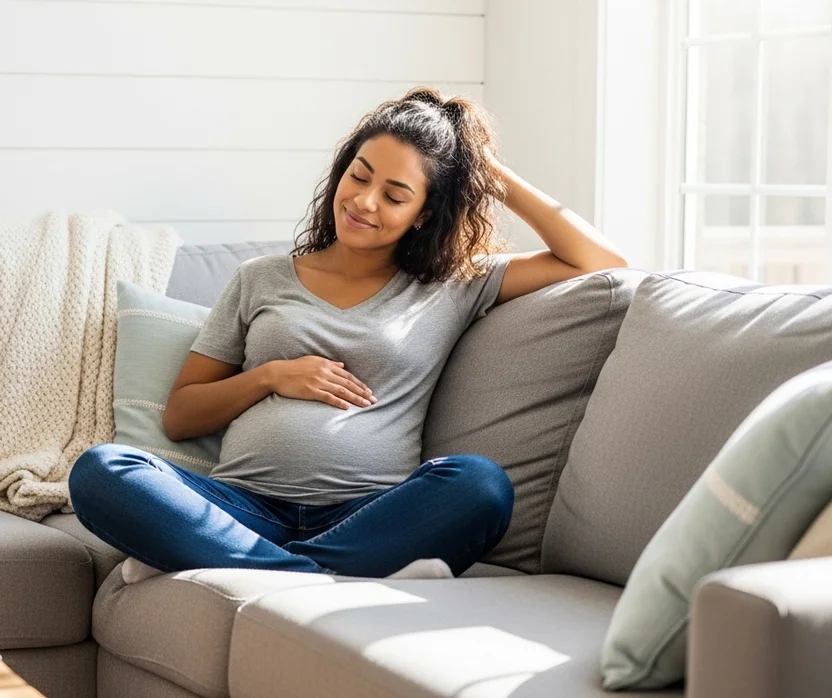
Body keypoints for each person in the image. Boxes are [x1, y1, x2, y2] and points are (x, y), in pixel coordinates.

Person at [68, 87, 628, 584]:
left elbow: (601, 261)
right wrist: (271, 376)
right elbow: (181, 416)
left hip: (369, 513)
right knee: (103, 470)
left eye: (393, 194)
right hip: (240, 506)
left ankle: (241, 565)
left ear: (425, 213)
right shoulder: (259, 278)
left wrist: (488, 172)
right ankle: (315, 573)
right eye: (359, 176)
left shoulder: (452, 282)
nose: (363, 202)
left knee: (480, 483)